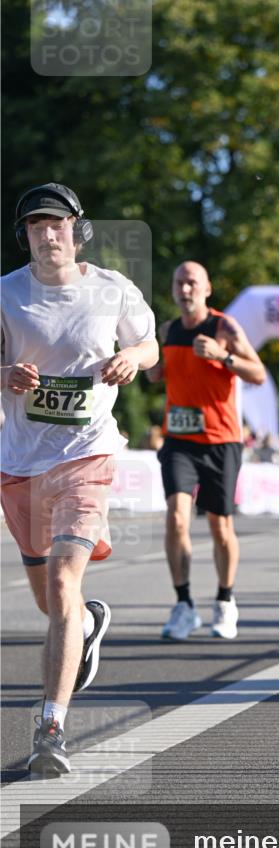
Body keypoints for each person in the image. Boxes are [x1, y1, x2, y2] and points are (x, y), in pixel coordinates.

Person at [0, 182, 158, 776]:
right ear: (27, 236)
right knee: (50, 599)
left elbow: (149, 347)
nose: (48, 234)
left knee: (64, 582)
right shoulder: (6, 294)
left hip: (88, 455)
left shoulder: (111, 289)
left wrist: (130, 360)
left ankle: (51, 729)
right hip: (20, 463)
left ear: (77, 229)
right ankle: (89, 624)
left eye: (58, 224)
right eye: (37, 226)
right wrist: (6, 375)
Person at [145, 261, 265, 641]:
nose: (185, 289)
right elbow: (159, 372)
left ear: (207, 288)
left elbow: (258, 373)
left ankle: (226, 600)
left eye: (192, 282)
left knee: (219, 524)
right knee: (177, 517)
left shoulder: (224, 328)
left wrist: (222, 356)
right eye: (179, 282)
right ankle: (183, 604)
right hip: (179, 440)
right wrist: (153, 368)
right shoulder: (168, 330)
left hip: (220, 440)